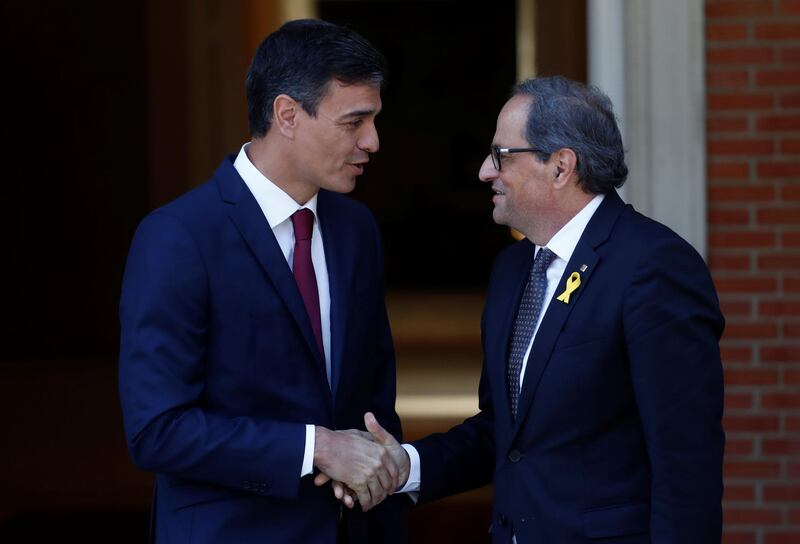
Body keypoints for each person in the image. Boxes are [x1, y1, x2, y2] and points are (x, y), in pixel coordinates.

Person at [359, 76, 725, 543]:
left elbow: (685, 463)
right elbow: (508, 433)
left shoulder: (652, 267)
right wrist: (405, 466)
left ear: (561, 166)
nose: (485, 173)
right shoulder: (513, 268)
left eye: (501, 156)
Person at [119, 19, 407, 543]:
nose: (373, 141)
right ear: (287, 114)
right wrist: (316, 447)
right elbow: (155, 430)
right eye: (355, 122)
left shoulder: (356, 230)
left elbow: (373, 401)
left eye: (374, 120)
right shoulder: (178, 237)